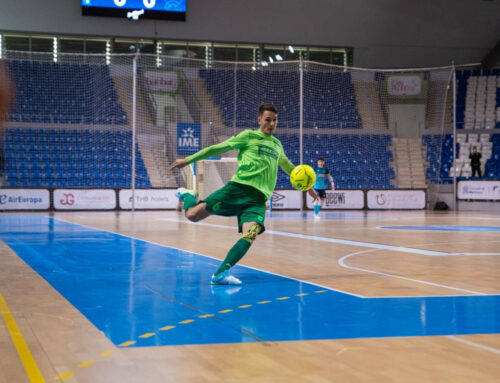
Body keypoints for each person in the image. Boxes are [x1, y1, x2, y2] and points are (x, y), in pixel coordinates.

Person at [170, 103, 318, 285]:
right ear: (259, 120)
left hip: (258, 200)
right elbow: (217, 148)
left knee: (251, 234)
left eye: (275, 120)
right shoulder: (248, 136)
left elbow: (289, 167)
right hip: (238, 189)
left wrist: (308, 187)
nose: (272, 123)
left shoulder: (277, 145)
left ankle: (221, 273)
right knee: (192, 215)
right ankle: (187, 194)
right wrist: (188, 160)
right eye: (268, 120)